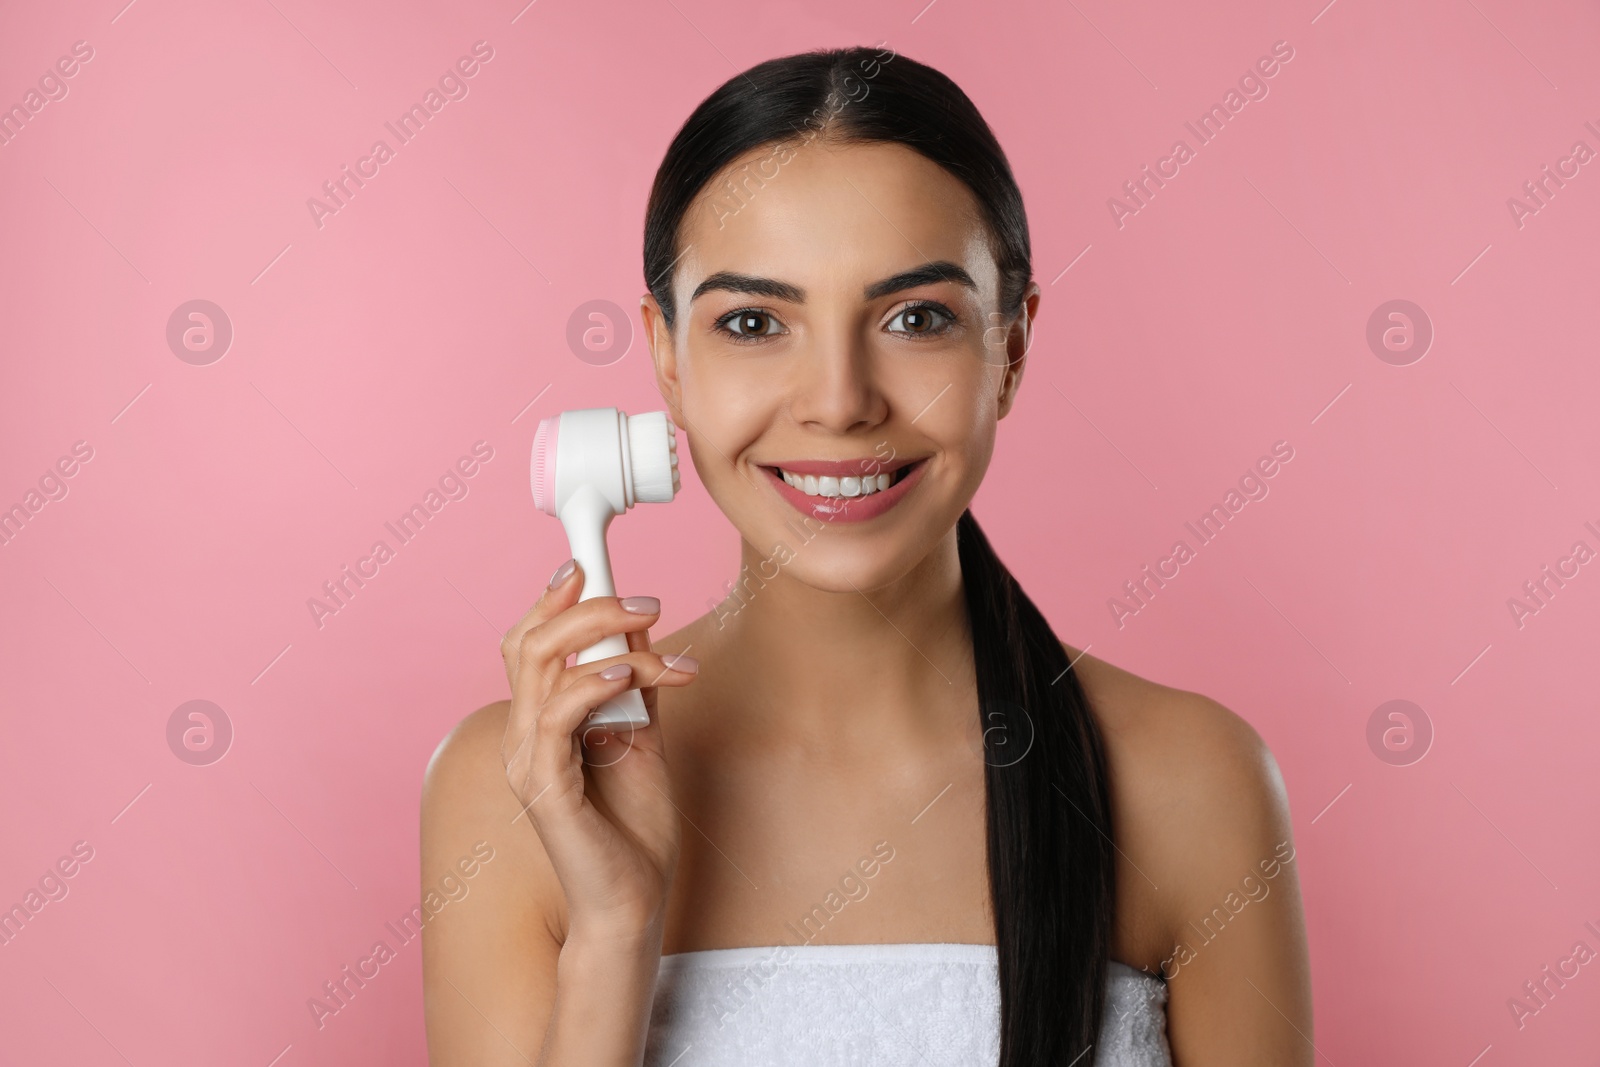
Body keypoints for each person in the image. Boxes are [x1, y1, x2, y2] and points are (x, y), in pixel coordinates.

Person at [420, 44, 1312, 1066]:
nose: (841, 399)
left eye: (914, 318)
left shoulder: (1191, 781)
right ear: (667, 358)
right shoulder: (518, 790)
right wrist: (615, 928)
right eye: (754, 322)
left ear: (1010, 349)